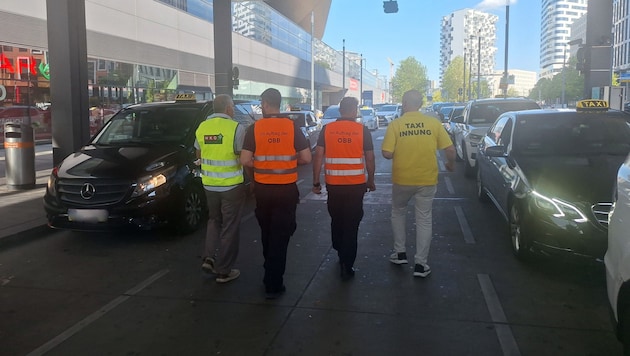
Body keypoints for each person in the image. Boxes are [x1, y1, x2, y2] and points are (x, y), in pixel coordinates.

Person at [240, 88, 312, 299]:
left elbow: (245, 160)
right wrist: (288, 161)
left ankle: (269, 269)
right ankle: (273, 281)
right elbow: (307, 158)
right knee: (281, 234)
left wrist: (263, 164)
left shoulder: (255, 128)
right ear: (279, 104)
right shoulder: (292, 126)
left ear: (264, 103)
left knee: (267, 231)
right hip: (286, 189)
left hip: (263, 190)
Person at [381, 89, 456, 278]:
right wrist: (449, 164)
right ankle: (421, 265)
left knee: (398, 212)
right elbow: (450, 149)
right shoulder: (433, 123)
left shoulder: (396, 125)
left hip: (402, 179)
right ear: (420, 104)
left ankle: (400, 253)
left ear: (405, 104)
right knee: (423, 219)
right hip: (427, 179)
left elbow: (387, 153)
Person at [312, 96, 375, 280]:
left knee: (337, 218)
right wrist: (370, 180)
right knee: (352, 224)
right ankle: (348, 264)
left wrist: (316, 182)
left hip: (334, 186)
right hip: (356, 187)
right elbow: (370, 158)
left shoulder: (327, 130)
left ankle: (339, 247)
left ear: (340, 111)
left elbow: (318, 157)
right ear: (355, 111)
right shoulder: (362, 131)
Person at [195, 94, 247, 284]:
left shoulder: (202, 127)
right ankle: (224, 270)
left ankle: (209, 257)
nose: (233, 110)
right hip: (231, 185)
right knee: (230, 226)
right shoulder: (235, 128)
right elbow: (243, 156)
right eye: (232, 107)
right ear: (228, 109)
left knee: (214, 220)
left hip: (209, 184)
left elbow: (198, 153)